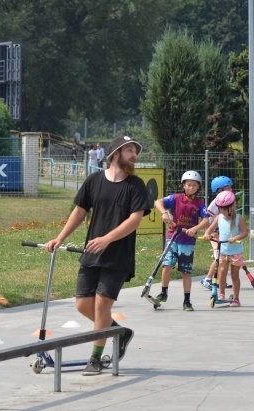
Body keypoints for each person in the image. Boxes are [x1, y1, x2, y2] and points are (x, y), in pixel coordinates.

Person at [45, 135, 150, 375]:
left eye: (135, 151)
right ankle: (119, 333)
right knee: (83, 305)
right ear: (115, 154)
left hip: (118, 256)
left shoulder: (135, 185)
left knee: (102, 306)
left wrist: (107, 239)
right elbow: (79, 212)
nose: (134, 155)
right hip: (91, 253)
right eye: (130, 151)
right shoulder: (93, 181)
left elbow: (134, 221)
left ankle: (94, 359)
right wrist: (60, 238)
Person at [153, 170, 212, 311]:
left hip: (188, 241)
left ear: (198, 187)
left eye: (194, 185)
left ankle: (187, 301)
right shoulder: (176, 198)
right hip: (173, 237)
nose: (191, 187)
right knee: (167, 265)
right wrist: (164, 213)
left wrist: (195, 228)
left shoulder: (199, 203)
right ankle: (163, 292)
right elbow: (158, 202)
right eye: (188, 185)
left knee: (186, 272)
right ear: (183, 185)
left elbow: (206, 219)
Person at [203, 191, 248, 307]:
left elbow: (244, 233)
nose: (221, 211)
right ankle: (221, 294)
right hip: (223, 250)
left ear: (231, 207)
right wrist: (207, 234)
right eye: (220, 208)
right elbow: (210, 228)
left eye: (223, 209)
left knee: (234, 276)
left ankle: (236, 298)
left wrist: (236, 238)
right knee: (221, 273)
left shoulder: (238, 218)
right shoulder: (219, 218)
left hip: (236, 252)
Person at [201, 175, 234, 291]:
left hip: (222, 232)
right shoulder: (216, 202)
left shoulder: (227, 200)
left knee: (225, 257)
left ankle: (221, 281)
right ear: (219, 190)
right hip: (214, 232)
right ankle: (207, 279)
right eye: (228, 187)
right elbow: (207, 219)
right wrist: (211, 232)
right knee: (219, 257)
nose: (231, 189)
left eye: (230, 187)